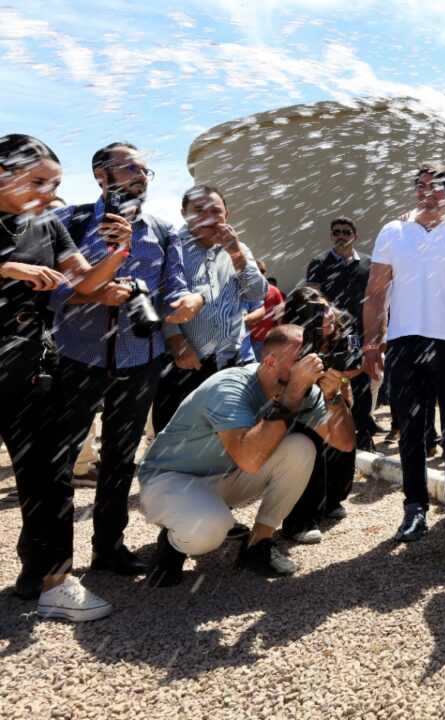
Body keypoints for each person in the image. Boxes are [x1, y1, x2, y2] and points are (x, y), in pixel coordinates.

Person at [49, 141, 201, 580]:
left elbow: (174, 288)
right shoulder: (71, 221)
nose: (140, 177)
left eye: (144, 171)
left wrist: (188, 301)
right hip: (77, 357)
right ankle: (48, 560)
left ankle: (109, 549)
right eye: (130, 168)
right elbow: (52, 291)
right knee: (58, 461)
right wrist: (96, 294)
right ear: (102, 175)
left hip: (140, 359)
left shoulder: (163, 230)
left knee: (120, 459)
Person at [1, 134, 131, 620]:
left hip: (29, 367)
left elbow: (84, 283)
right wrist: (6, 268)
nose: (49, 195)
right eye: (38, 182)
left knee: (49, 477)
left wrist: (116, 255)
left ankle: (56, 582)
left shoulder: (48, 225)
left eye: (54, 185)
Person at [140, 324, 355, 586]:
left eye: (313, 356)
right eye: (300, 359)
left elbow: (344, 443)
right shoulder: (230, 387)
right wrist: (292, 392)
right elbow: (249, 460)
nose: (310, 367)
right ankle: (174, 542)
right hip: (169, 480)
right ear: (270, 362)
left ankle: (258, 543)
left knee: (301, 447)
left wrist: (333, 396)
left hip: (225, 476)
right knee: (208, 531)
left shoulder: (300, 389)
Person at [362, 162, 445, 540]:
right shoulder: (393, 231)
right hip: (404, 344)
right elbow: (376, 293)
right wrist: (372, 342)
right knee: (410, 432)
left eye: (435, 186)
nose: (427, 192)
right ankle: (414, 508)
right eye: (421, 185)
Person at [153, 184, 266, 432]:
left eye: (216, 211)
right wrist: (177, 343)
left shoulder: (239, 249)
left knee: (228, 437)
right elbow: (158, 300)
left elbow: (257, 293)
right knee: (177, 436)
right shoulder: (168, 246)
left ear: (227, 214)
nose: (208, 217)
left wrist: (236, 254)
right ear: (184, 213)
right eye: (199, 210)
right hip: (184, 364)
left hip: (231, 363)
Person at [280, 287, 362, 543]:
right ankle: (300, 520)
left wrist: (341, 382)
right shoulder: (291, 339)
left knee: (343, 439)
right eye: (316, 312)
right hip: (301, 398)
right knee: (309, 447)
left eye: (327, 308)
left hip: (334, 389)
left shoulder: (346, 323)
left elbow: (356, 362)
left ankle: (332, 499)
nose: (327, 316)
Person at [306, 216, 377, 451]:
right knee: (331, 379)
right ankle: (332, 433)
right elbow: (313, 298)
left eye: (346, 232)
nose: (341, 236)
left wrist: (378, 332)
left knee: (361, 379)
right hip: (331, 334)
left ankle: (364, 431)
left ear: (355, 236)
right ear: (331, 236)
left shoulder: (367, 263)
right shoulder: (319, 262)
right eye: (336, 232)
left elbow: (375, 298)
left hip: (359, 333)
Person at [246, 259, 285, 361]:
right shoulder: (243, 290)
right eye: (256, 270)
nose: (259, 273)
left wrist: (279, 338)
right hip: (246, 340)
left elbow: (280, 316)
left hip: (264, 340)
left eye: (262, 271)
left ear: (266, 273)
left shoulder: (274, 291)